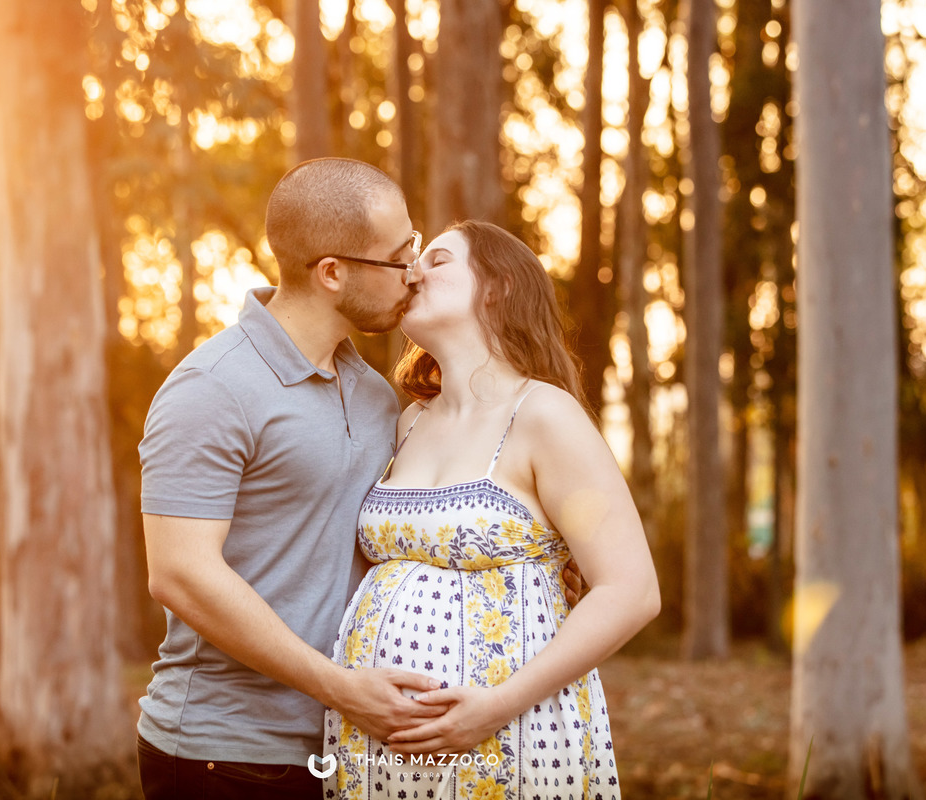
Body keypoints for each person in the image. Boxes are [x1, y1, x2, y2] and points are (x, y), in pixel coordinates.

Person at [135, 158, 444, 799]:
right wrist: (340, 687)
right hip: (224, 754)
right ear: (332, 273)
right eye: (399, 256)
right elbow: (179, 574)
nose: (414, 271)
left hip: (342, 745)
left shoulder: (372, 395)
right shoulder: (212, 388)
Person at [323, 220, 661, 800]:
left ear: (497, 287)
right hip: (379, 750)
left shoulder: (543, 416)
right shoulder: (409, 422)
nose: (412, 272)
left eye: (437, 259)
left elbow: (631, 590)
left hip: (511, 734)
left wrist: (495, 707)